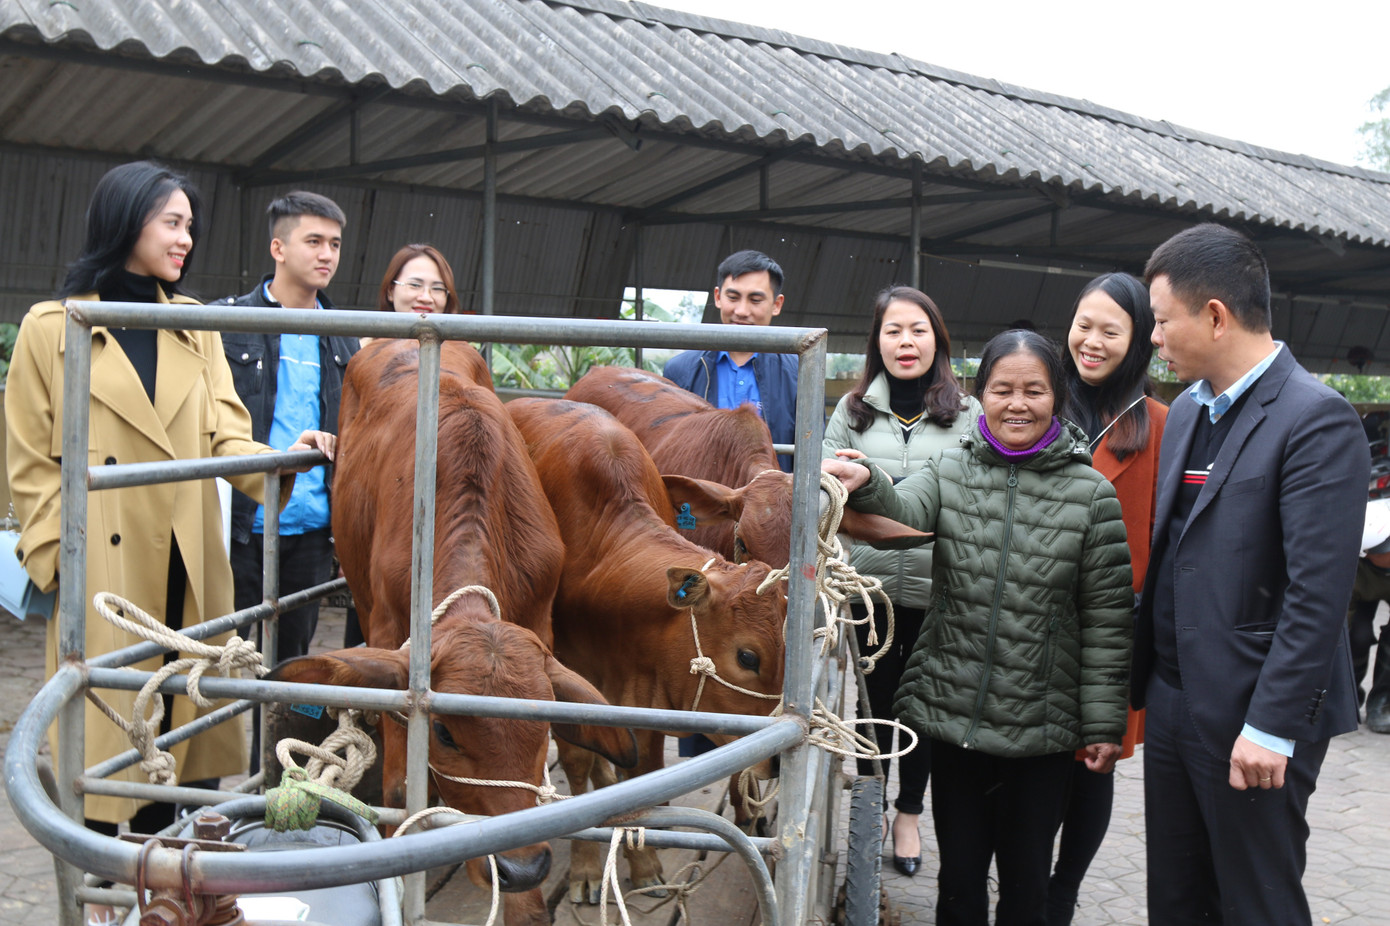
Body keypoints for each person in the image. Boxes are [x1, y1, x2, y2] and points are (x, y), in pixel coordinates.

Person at [3, 162, 332, 922]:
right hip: (105, 576)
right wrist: (64, 562)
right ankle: (91, 900)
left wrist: (284, 458)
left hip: (189, 568)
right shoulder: (55, 328)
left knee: (179, 745)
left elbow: (227, 435)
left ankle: (164, 905)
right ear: (125, 222)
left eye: (190, 225)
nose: (186, 239)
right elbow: (25, 464)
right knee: (99, 748)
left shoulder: (193, 324)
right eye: (171, 223)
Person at [824, 328, 1133, 926]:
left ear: (1057, 397)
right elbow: (905, 507)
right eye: (1002, 389)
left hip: (1043, 728)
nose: (1017, 404)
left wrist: (1102, 724)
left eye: (1034, 391)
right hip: (957, 713)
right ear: (979, 394)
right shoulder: (951, 469)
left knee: (1025, 887)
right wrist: (868, 481)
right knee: (960, 882)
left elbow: (1107, 620)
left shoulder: (1091, 494)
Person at [1134, 223, 1368, 925]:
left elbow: (1318, 593)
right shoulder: (1185, 415)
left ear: (1214, 316)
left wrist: (1270, 725)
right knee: (1177, 896)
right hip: (1175, 697)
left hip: (1252, 711)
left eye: (1161, 320)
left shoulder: (1314, 420)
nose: (1154, 336)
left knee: (1255, 898)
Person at [820, 285, 981, 877]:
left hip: (945, 595)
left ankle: (910, 814)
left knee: (925, 709)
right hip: (871, 595)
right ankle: (872, 810)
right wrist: (891, 533)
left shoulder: (969, 415)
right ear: (877, 341)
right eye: (893, 331)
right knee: (870, 707)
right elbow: (827, 491)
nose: (905, 342)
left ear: (937, 338)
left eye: (917, 330)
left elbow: (975, 498)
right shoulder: (853, 409)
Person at [1047, 273, 1168, 925]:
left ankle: (1064, 891)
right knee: (1031, 764)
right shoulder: (1037, 403)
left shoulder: (1160, 426)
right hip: (1029, 625)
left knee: (1093, 767)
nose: (1091, 342)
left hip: (1109, 631)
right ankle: (1025, 882)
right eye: (1083, 325)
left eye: (1110, 331)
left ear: (1140, 340)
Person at [221, 191, 359, 667]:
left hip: (313, 531)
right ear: (278, 249)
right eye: (314, 241)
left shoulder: (345, 335)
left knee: (291, 665)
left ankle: (274, 745)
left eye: (335, 244)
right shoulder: (226, 323)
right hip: (241, 526)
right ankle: (220, 743)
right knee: (218, 657)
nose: (327, 255)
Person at [339, 243, 463, 647]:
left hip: (442, 513)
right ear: (390, 291)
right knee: (368, 611)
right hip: (370, 510)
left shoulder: (462, 357)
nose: (425, 296)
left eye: (437, 288)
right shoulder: (358, 355)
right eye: (414, 284)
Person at [663, 249, 799, 472]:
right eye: (733, 297)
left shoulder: (800, 374)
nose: (742, 311)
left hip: (770, 502)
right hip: (697, 502)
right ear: (717, 297)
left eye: (755, 300)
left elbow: (810, 457)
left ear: (777, 304)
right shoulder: (680, 371)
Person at [1349, 498, 1390, 733]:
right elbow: (1338, 629)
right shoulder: (1354, 568)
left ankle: (1383, 703)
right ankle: (1349, 697)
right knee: (1356, 635)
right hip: (1361, 593)